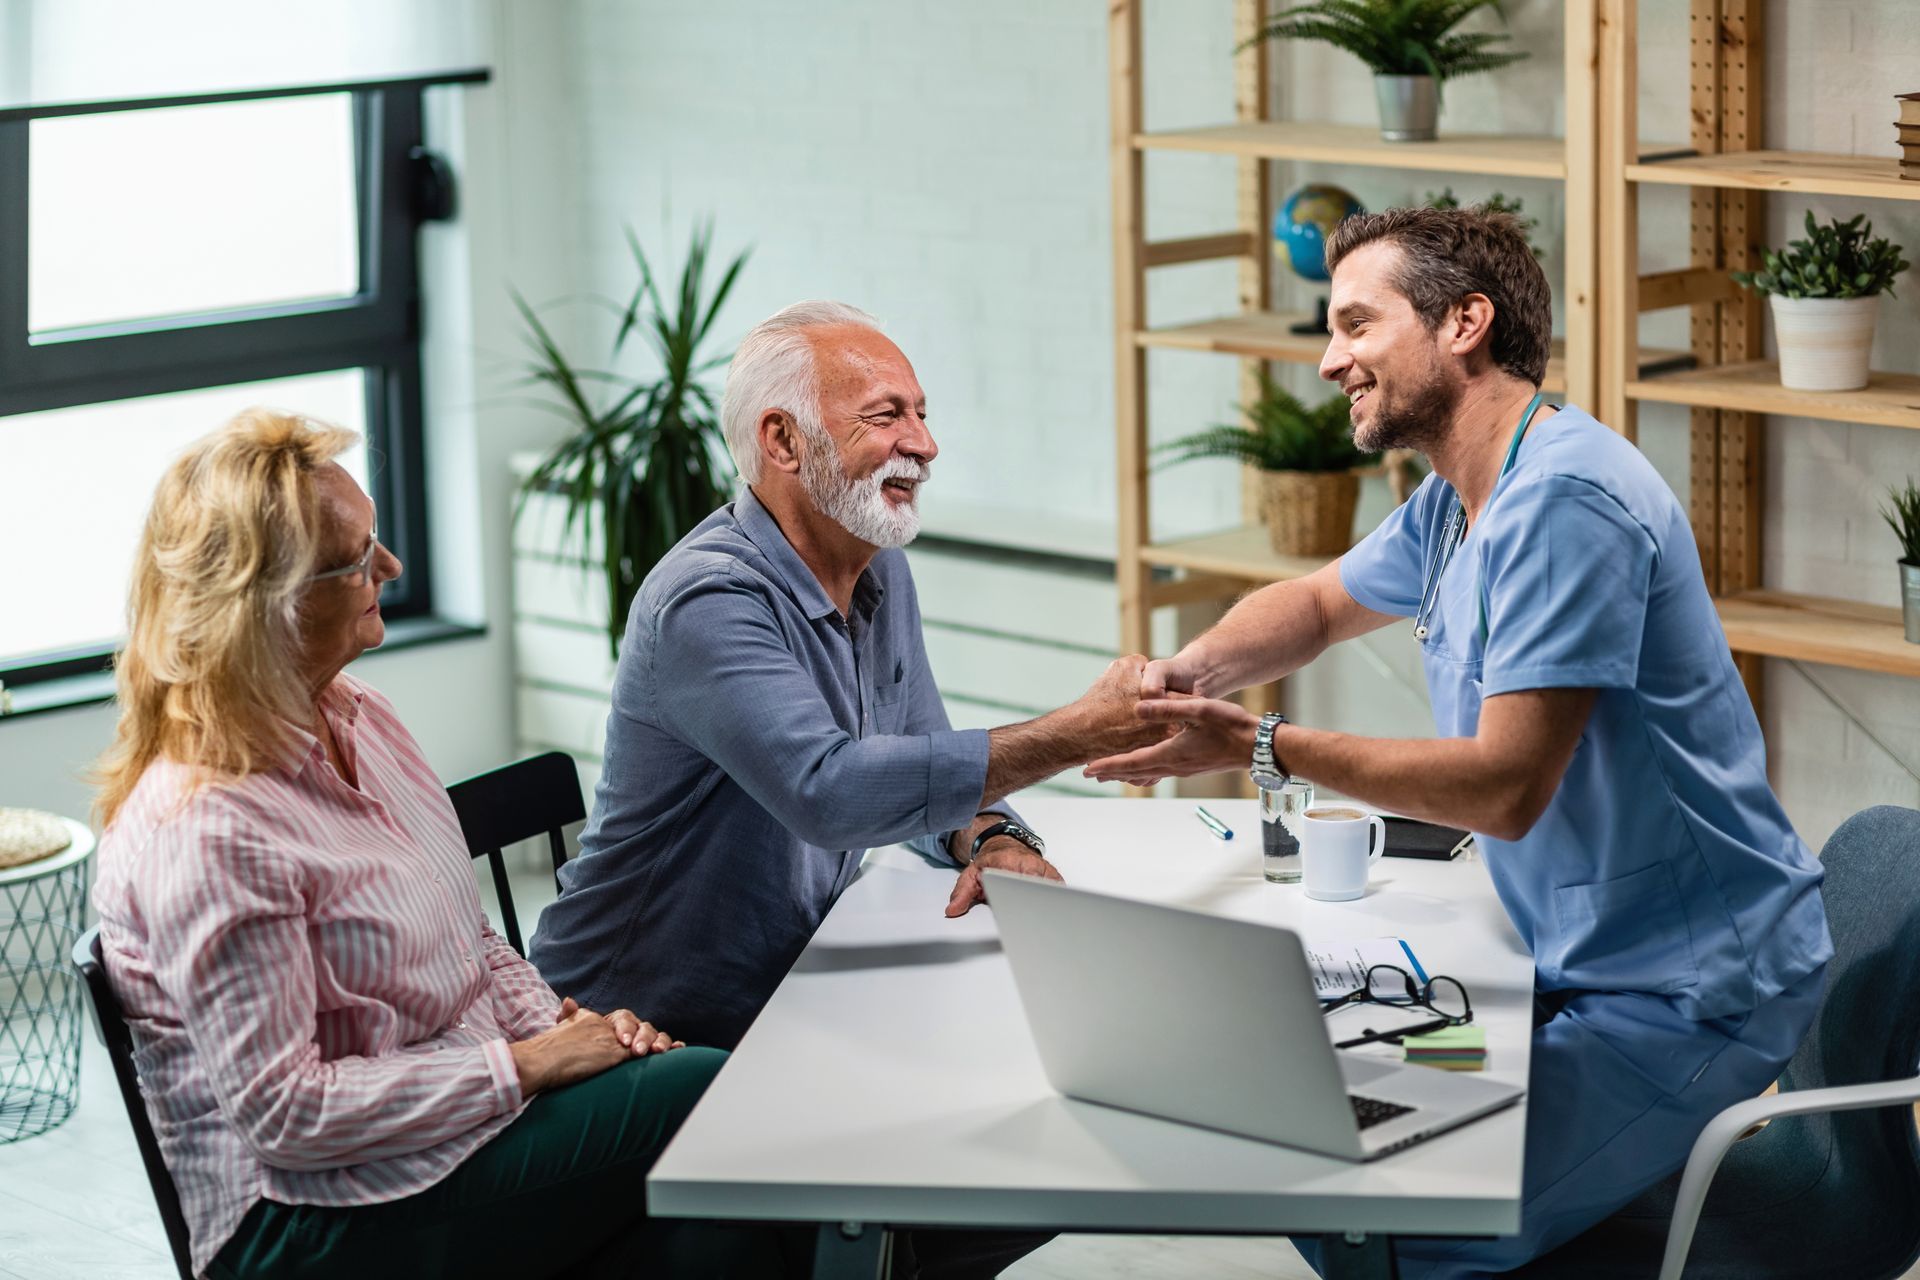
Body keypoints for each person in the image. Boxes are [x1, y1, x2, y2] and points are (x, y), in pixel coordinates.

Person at [1086, 208, 1832, 1277]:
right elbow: (1315, 603)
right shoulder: (1461, 497)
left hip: (1688, 986)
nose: (1330, 358)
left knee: (1404, 1228)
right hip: (1573, 952)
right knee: (1329, 1138)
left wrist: (1264, 744)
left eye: (1355, 322)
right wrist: (1181, 678)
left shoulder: (1567, 500)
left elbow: (1503, 785)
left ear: (1463, 324)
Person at [92, 411, 799, 1279]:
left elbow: (470, 942)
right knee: (707, 1089)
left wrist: (573, 1033)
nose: (387, 568)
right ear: (263, 604)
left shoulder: (367, 718)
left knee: (714, 1233)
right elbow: (288, 1115)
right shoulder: (208, 826)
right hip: (307, 1221)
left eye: (376, 542)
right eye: (355, 560)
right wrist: (533, 1065)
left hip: (449, 1144)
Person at [530, 300, 1157, 1053]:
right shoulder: (705, 602)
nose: (924, 445)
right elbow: (831, 792)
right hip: (632, 1034)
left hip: (786, 994)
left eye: (921, 414)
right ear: (784, 441)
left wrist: (992, 837)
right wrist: (1078, 731)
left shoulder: (877, 567)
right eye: (887, 416)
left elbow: (924, 766)